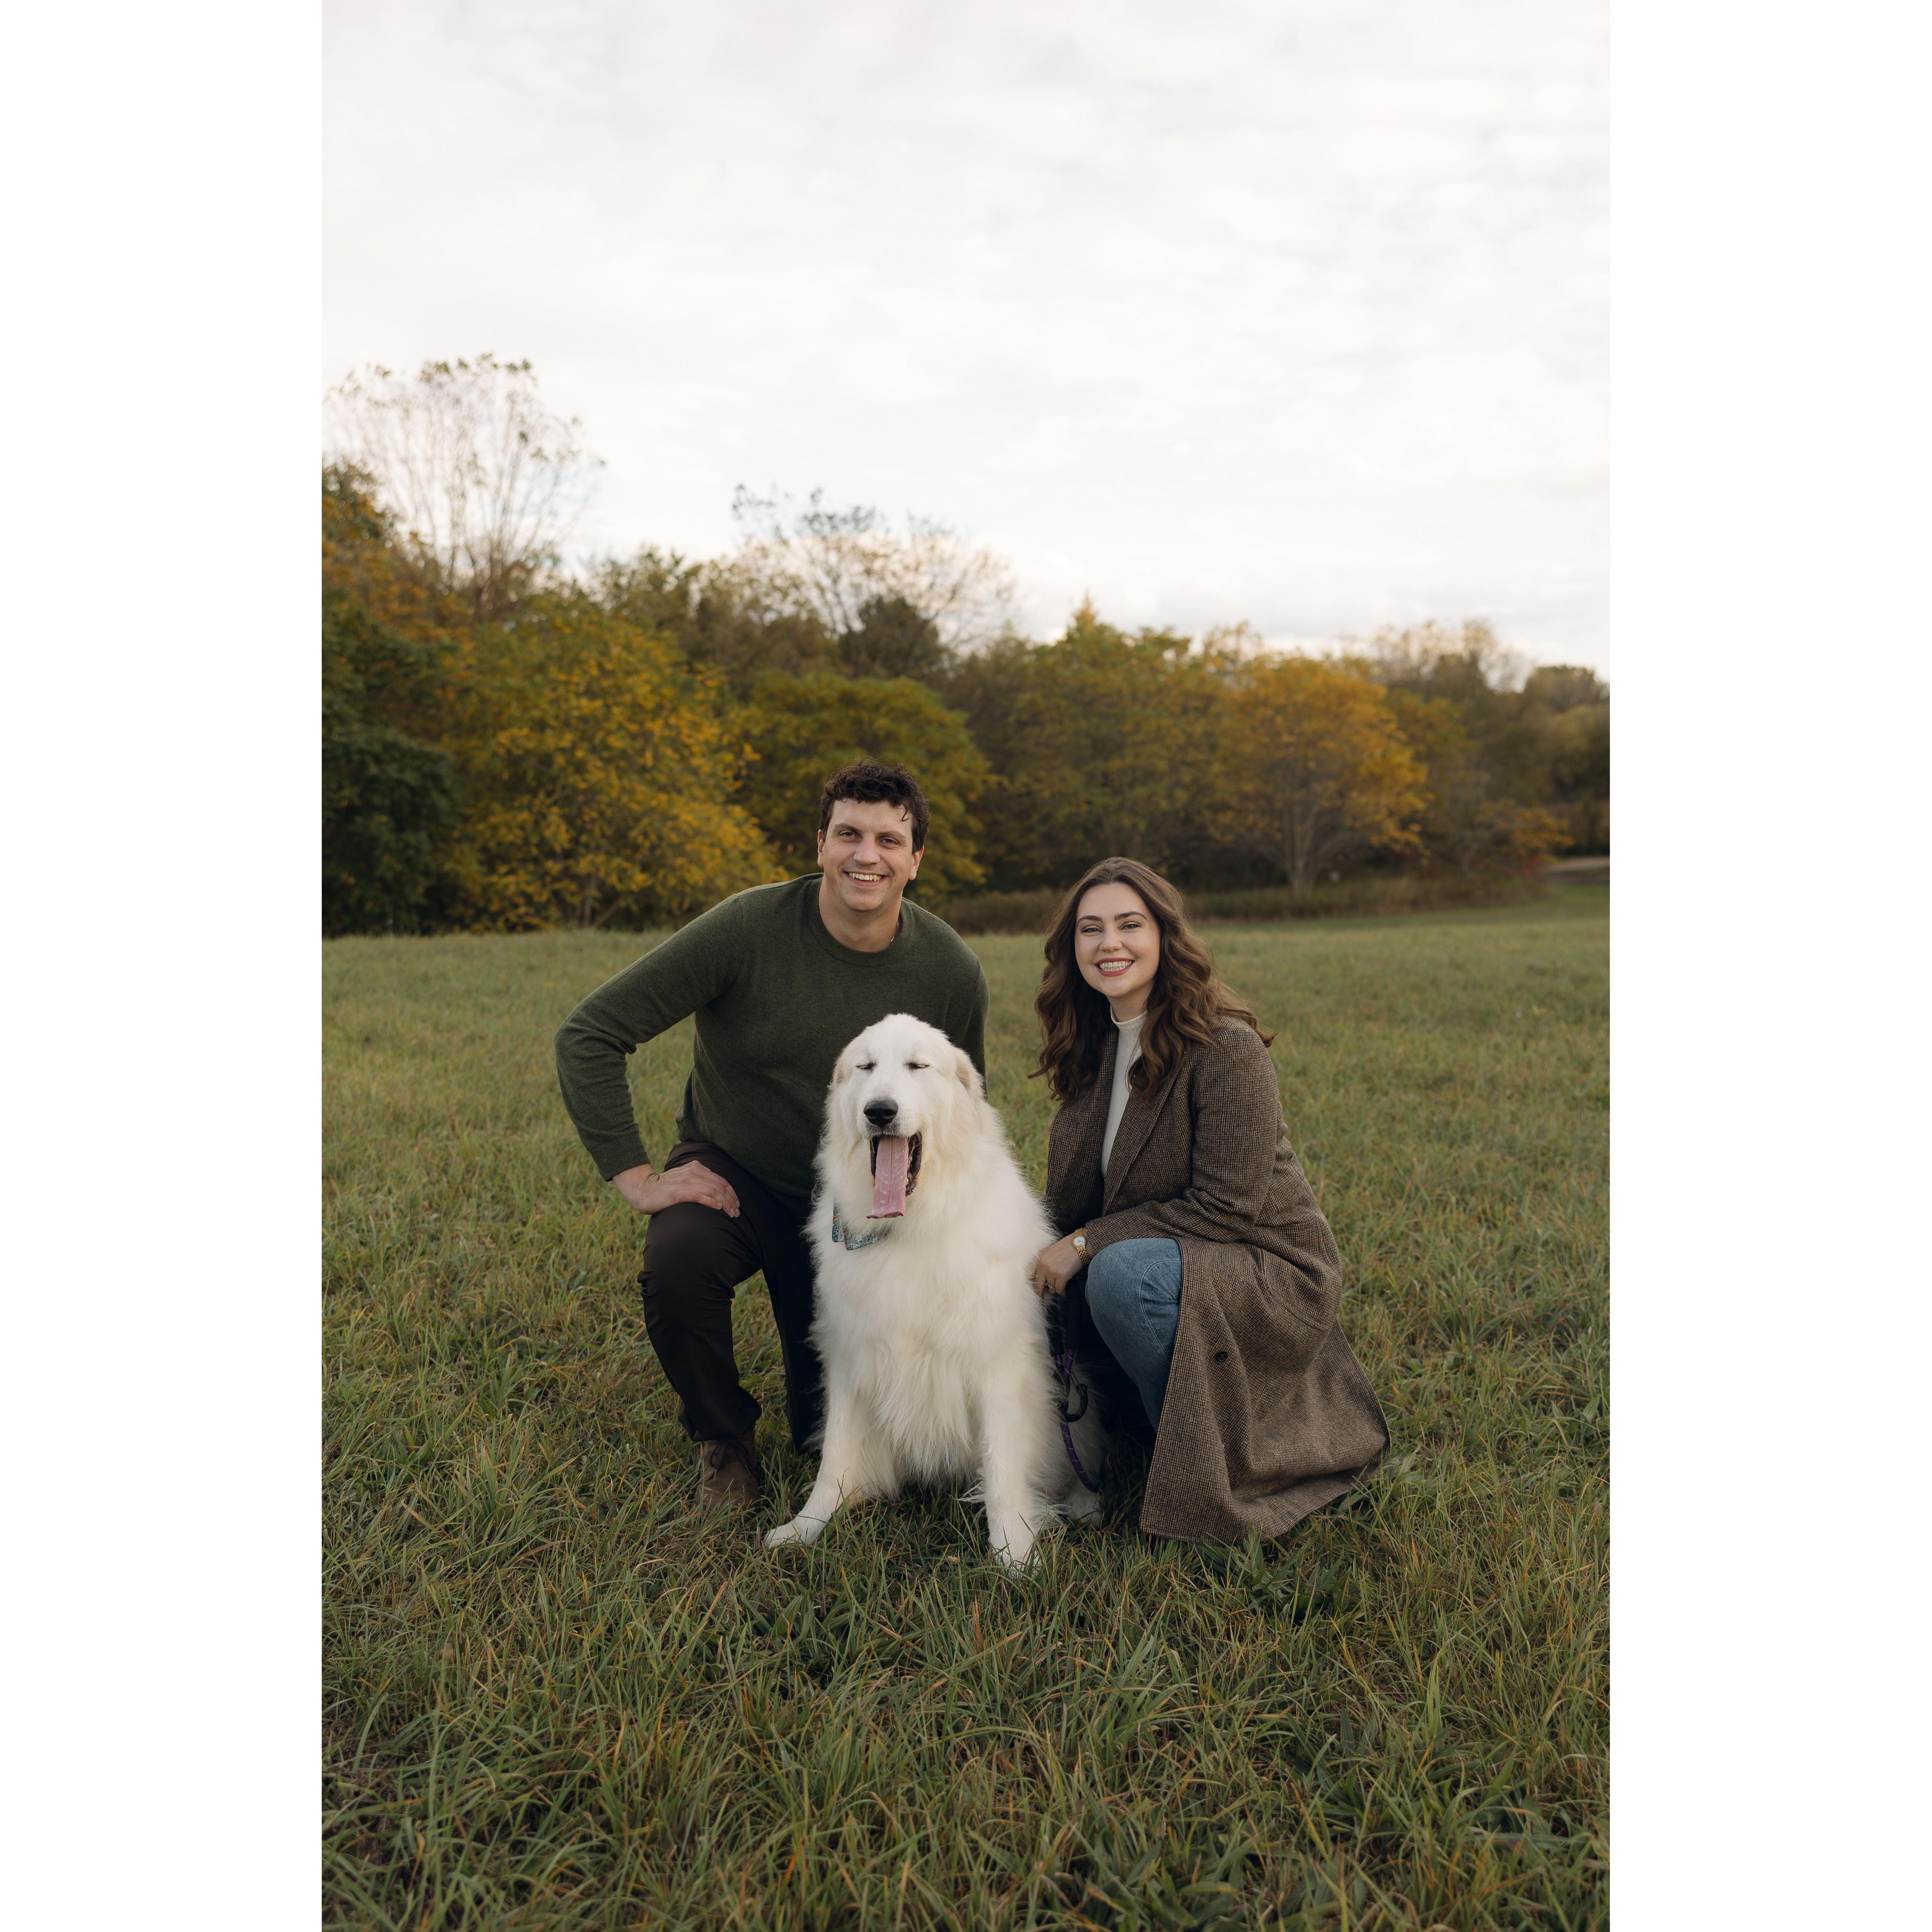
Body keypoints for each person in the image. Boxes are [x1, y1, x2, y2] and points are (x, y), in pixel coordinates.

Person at [555, 762, 990, 1510]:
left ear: (915, 859)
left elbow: (963, 1113)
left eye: (889, 840)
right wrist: (638, 1177)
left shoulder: (949, 968)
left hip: (864, 1196)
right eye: (848, 834)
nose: (867, 855)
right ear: (820, 844)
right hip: (740, 1171)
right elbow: (589, 1034)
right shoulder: (747, 927)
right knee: (679, 1260)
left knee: (825, 1437)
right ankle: (723, 1439)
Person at [1026, 856, 1388, 1542]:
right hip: (1171, 1257)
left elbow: (1226, 1207)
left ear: (1166, 937)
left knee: (1122, 1276)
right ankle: (1120, 1434)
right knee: (1045, 1277)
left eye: (1130, 925)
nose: (1109, 944)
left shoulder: (1224, 1046)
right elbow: (1071, 1201)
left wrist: (1086, 1243)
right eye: (1091, 929)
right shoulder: (1092, 1045)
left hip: (1264, 1267)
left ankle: (1208, 1468)